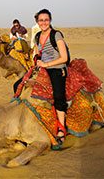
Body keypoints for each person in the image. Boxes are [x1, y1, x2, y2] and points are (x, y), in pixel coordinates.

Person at [34, 9, 68, 145]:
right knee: (19, 85)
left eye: (46, 20)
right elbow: (37, 52)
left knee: (58, 95)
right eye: (41, 20)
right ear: (37, 22)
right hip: (43, 68)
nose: (43, 22)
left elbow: (64, 58)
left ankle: (61, 128)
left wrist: (46, 64)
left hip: (56, 68)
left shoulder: (56, 35)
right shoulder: (37, 36)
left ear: (50, 20)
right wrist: (36, 61)